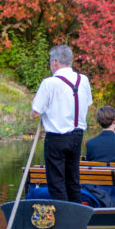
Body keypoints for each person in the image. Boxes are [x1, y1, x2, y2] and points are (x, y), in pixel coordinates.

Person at [31, 45, 93, 203]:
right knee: (73, 181)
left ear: (55, 62)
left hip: (56, 138)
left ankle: (63, 218)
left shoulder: (49, 83)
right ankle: (76, 218)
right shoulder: (83, 80)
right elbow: (88, 103)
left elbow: (36, 112)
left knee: (56, 182)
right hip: (77, 137)